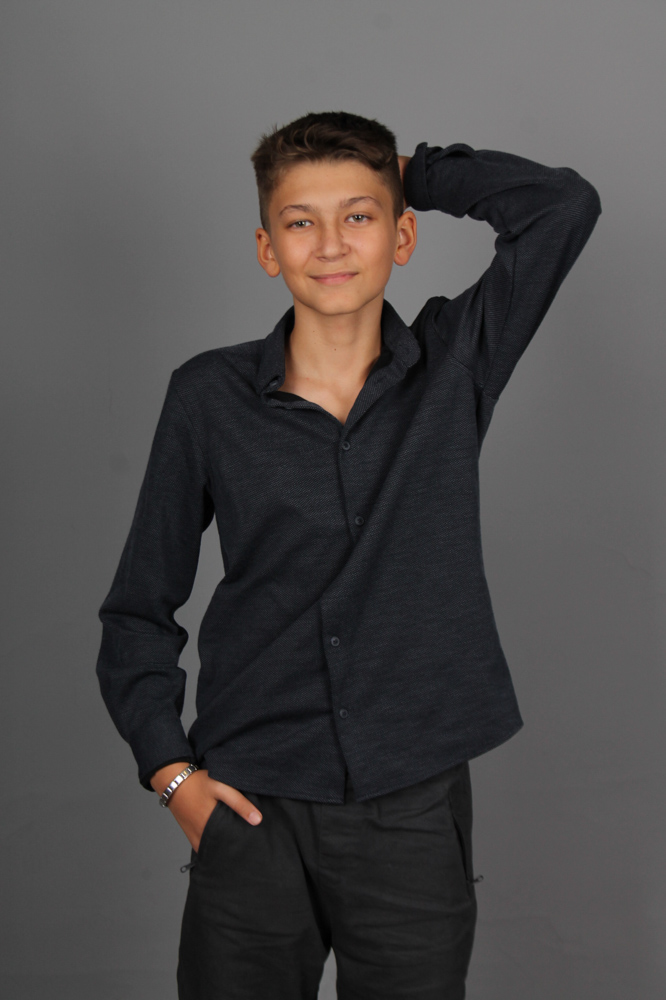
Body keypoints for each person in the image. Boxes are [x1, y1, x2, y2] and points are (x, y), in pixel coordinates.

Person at [96, 110, 602, 999]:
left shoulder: (456, 364)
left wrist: (408, 171)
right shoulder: (207, 398)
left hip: (411, 806)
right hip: (251, 803)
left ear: (402, 237)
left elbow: (561, 206)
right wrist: (173, 777)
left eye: (359, 216)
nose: (330, 244)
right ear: (268, 249)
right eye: (301, 221)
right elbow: (138, 610)